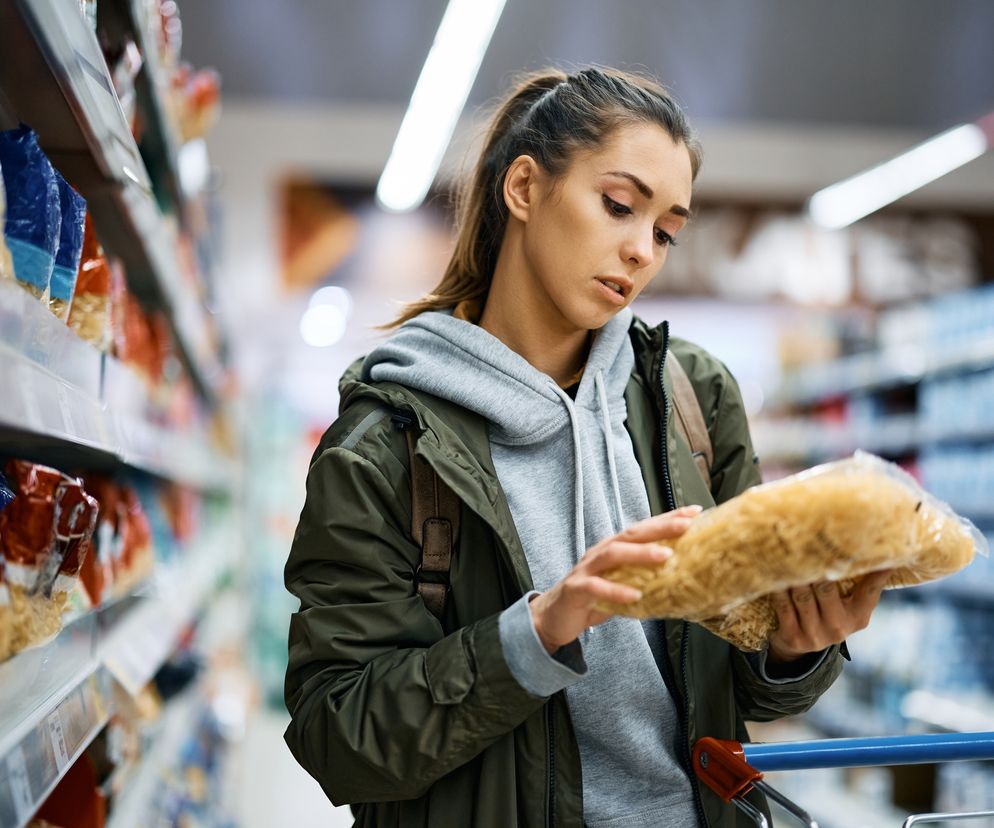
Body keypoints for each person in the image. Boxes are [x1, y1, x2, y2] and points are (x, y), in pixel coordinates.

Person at [283, 66, 890, 828]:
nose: (642, 250)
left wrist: (797, 649)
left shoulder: (692, 398)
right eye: (618, 206)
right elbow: (336, 734)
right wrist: (536, 633)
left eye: (666, 230)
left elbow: (750, 685)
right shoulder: (384, 442)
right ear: (526, 189)